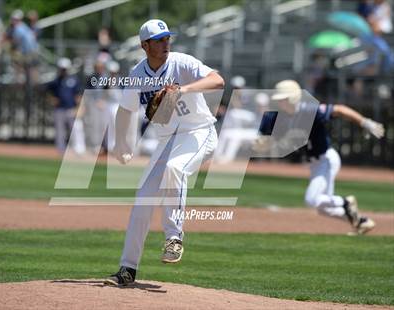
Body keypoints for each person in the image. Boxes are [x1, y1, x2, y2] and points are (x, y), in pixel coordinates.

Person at [105, 19, 224, 286]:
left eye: (167, 38)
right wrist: (121, 144)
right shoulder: (137, 73)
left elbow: (217, 80)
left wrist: (184, 88)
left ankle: (174, 237)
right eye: (159, 40)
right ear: (144, 45)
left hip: (199, 132)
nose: (165, 43)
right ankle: (127, 269)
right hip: (167, 141)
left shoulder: (181, 62)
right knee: (142, 201)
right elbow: (125, 110)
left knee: (175, 169)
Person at [255, 80, 384, 235]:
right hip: (314, 164)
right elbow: (263, 140)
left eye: (284, 98)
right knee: (324, 209)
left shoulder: (310, 111)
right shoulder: (275, 117)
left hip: (326, 159)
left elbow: (340, 110)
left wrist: (364, 122)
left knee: (311, 200)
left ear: (294, 98)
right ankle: (361, 222)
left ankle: (345, 202)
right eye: (279, 99)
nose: (280, 102)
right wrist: (262, 143)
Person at [47, 58, 85, 154]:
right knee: (60, 131)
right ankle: (61, 149)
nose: (63, 71)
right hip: (59, 109)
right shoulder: (55, 81)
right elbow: (47, 91)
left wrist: (78, 107)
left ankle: (79, 149)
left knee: (76, 128)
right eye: (62, 69)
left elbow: (79, 95)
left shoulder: (74, 80)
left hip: (71, 108)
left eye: (65, 69)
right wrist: (52, 99)